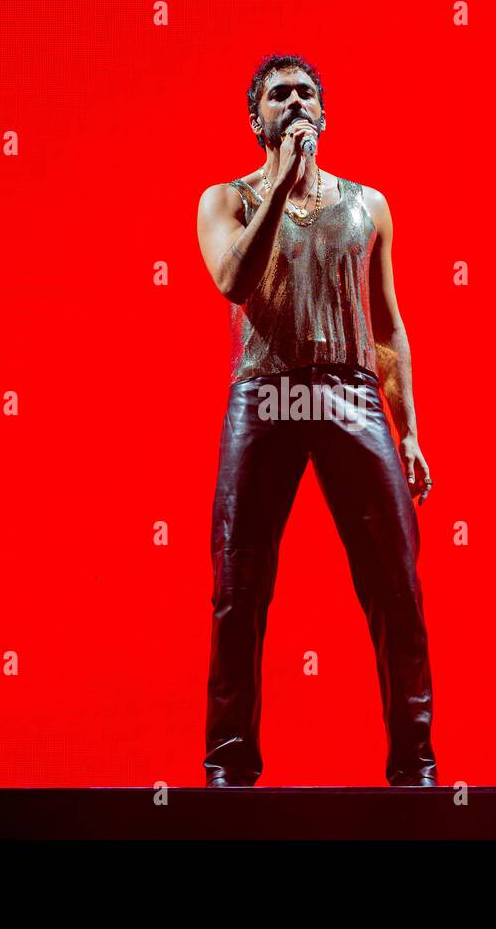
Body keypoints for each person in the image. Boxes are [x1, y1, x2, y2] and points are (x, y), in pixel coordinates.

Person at [195, 54, 438, 787]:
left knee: (396, 581)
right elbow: (234, 280)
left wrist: (411, 432)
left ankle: (415, 769)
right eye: (279, 96)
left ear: (324, 113)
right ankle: (229, 772)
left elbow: (389, 326)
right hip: (264, 395)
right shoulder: (227, 199)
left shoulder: (369, 204)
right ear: (257, 118)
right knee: (239, 585)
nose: (294, 102)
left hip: (350, 391)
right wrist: (282, 183)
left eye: (306, 93)